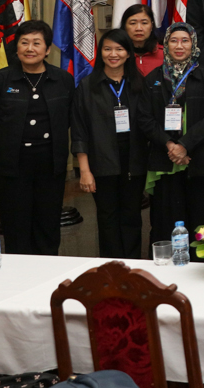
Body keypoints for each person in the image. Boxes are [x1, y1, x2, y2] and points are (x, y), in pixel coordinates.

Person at [0, 21, 73, 255]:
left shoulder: (63, 80)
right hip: (12, 164)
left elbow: (68, 117)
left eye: (37, 43)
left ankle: (48, 269)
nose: (30, 48)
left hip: (50, 163)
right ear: (17, 47)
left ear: (47, 49)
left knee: (48, 224)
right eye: (24, 42)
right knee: (16, 225)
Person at [140, 23, 204, 256]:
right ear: (166, 44)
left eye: (185, 41)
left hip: (201, 160)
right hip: (165, 160)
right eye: (174, 40)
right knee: (166, 222)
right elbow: (145, 118)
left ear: (193, 45)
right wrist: (170, 145)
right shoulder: (153, 79)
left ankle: (203, 271)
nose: (179, 46)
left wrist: (185, 145)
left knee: (203, 226)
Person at [73, 29, 152, 259]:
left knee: (132, 215)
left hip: (134, 160)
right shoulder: (87, 86)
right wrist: (85, 170)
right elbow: (79, 130)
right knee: (107, 217)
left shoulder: (140, 84)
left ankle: (133, 264)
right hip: (101, 161)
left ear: (128, 53)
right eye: (107, 49)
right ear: (101, 53)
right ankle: (111, 266)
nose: (113, 54)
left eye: (119, 49)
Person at [121, 3, 166, 75]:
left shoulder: (165, 54)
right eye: (133, 23)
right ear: (125, 26)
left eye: (144, 23)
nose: (139, 28)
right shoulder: (117, 55)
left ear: (152, 25)